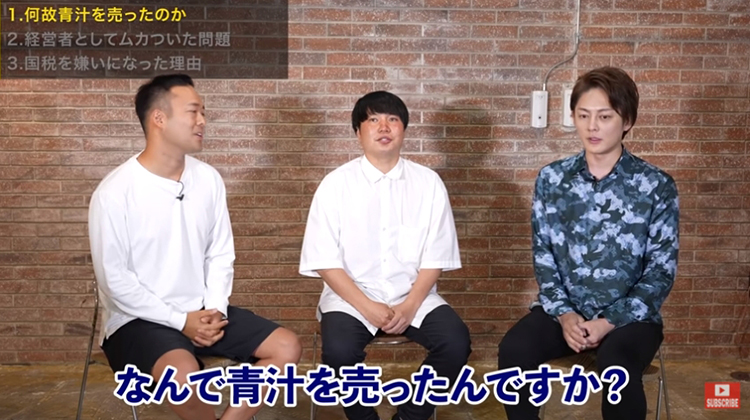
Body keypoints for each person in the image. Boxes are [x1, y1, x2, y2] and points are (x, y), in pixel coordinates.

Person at [88, 74, 301, 420]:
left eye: (203, 112)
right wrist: (179, 321)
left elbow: (220, 254)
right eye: (193, 112)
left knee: (286, 347)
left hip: (201, 311)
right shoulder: (115, 192)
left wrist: (215, 308)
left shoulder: (208, 179)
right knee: (183, 379)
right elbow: (114, 280)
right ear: (159, 118)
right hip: (137, 320)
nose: (202, 121)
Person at [498, 66, 679, 420]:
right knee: (514, 351)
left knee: (617, 367)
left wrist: (609, 321)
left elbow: (661, 272)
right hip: (565, 313)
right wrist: (565, 315)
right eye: (583, 115)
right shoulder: (552, 179)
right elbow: (544, 257)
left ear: (626, 121)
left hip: (631, 319)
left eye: (604, 116)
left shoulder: (656, 185)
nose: (592, 126)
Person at [299, 91, 471, 420]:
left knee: (455, 342)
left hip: (413, 294)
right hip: (351, 297)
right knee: (338, 353)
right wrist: (367, 307)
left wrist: (410, 305)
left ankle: (409, 416)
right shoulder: (335, 184)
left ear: (404, 129)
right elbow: (323, 260)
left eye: (393, 119)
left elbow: (436, 254)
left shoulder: (428, 183)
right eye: (373, 120)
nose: (384, 127)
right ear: (358, 132)